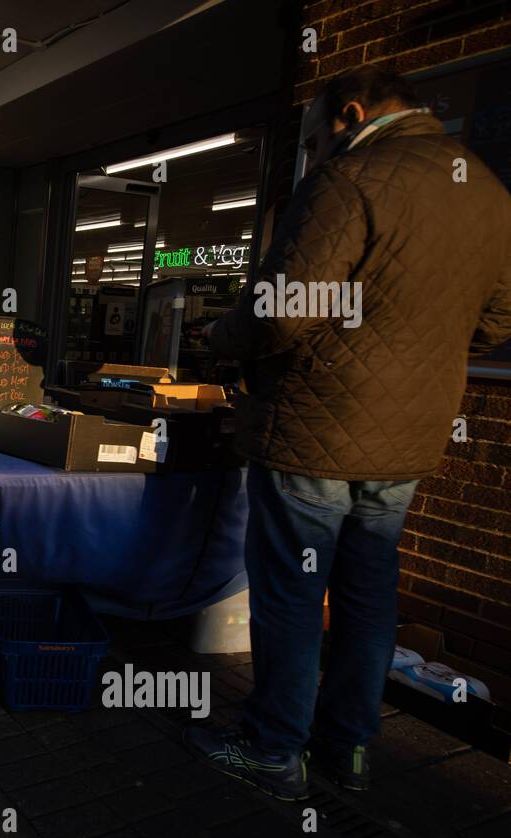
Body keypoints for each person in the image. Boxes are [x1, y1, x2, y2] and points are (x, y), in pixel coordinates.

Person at [185, 66, 511, 801]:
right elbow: (498, 321)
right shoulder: (488, 192)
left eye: (313, 141)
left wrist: (219, 335)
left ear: (352, 113)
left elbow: (281, 312)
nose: (312, 157)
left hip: (315, 425)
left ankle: (273, 748)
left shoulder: (351, 180)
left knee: (294, 595)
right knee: (368, 594)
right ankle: (350, 749)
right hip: (410, 435)